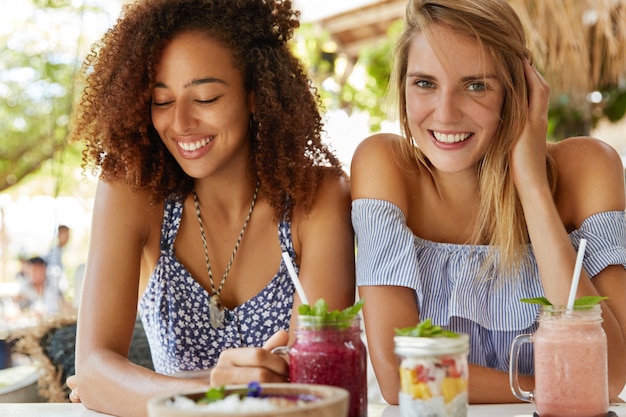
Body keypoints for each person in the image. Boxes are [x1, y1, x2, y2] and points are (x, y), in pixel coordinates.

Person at [66, 0, 355, 415]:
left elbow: (316, 376)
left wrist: (135, 388)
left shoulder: (317, 196)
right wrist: (215, 390)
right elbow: (93, 371)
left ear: (256, 94)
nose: (180, 123)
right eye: (161, 101)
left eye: (205, 97)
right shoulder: (132, 190)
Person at [351, 0, 626, 405]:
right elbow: (400, 377)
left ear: (518, 92)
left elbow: (610, 373)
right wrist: (566, 386)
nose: (445, 113)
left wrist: (532, 187)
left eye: (476, 85)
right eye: (424, 83)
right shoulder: (385, 166)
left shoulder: (588, 168)